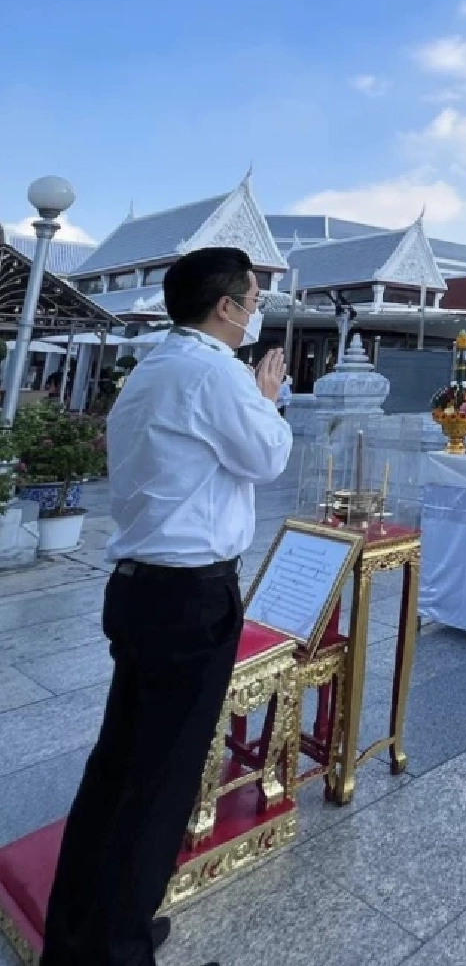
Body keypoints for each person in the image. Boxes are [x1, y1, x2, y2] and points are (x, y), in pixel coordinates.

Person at [41, 247, 292, 966]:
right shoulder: (216, 372)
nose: (255, 314)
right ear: (226, 307)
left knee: (119, 764)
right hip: (189, 593)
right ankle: (115, 948)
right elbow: (268, 457)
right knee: (160, 781)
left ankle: (82, 929)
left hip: (138, 586)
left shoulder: (152, 366)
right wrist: (266, 397)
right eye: (252, 301)